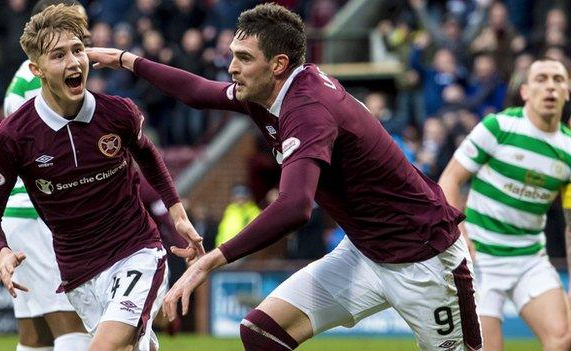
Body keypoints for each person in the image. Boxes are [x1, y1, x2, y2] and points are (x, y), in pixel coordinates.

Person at [87, 4, 482, 350]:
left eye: (243, 57)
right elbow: (197, 91)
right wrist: (125, 59)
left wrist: (210, 261)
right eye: (232, 56)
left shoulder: (307, 109)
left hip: (423, 258)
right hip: (365, 251)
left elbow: (295, 207)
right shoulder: (267, 93)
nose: (231, 68)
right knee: (262, 333)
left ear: (277, 65)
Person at [0, 5, 203, 351]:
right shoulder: (12, 136)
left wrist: (176, 211)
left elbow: (147, 154)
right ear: (36, 69)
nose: (73, 62)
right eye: (58, 55)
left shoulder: (118, 112)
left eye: (78, 50)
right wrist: (2, 253)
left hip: (136, 253)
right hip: (78, 274)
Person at [439, 59, 571, 351]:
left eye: (558, 79)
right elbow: (449, 180)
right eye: (541, 79)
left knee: (563, 338)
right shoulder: (498, 127)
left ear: (567, 91)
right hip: (481, 257)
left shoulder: (568, 150)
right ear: (525, 91)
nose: (550, 85)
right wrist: (462, 236)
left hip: (529, 257)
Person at [3, 1, 93, 351]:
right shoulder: (38, 80)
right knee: (70, 319)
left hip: (20, 211)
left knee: (35, 331)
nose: (82, 33)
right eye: (75, 24)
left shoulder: (28, 72)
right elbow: (51, 142)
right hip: (38, 209)